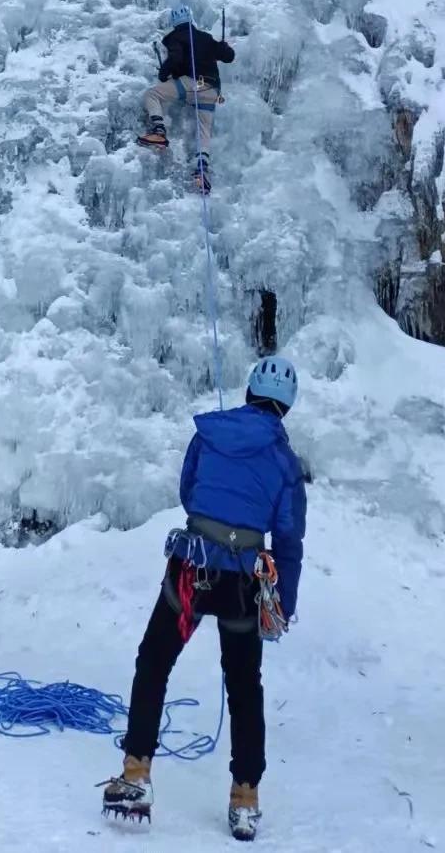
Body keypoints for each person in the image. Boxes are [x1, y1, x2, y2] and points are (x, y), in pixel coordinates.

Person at [101, 358, 306, 843]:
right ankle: (245, 799)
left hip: (191, 569)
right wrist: (284, 605)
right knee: (243, 685)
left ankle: (135, 773)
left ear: (250, 390)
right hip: (243, 583)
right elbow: (289, 539)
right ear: (286, 407)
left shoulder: (208, 434)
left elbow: (189, 493)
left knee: (154, 661)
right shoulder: (283, 460)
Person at [136, 3, 235, 194]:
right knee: (203, 128)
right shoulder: (206, 38)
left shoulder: (174, 37)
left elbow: (176, 58)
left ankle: (159, 131)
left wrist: (164, 74)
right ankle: (201, 168)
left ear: (174, 22)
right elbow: (229, 57)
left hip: (193, 84)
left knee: (152, 94)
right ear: (191, 19)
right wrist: (223, 47)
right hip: (212, 89)